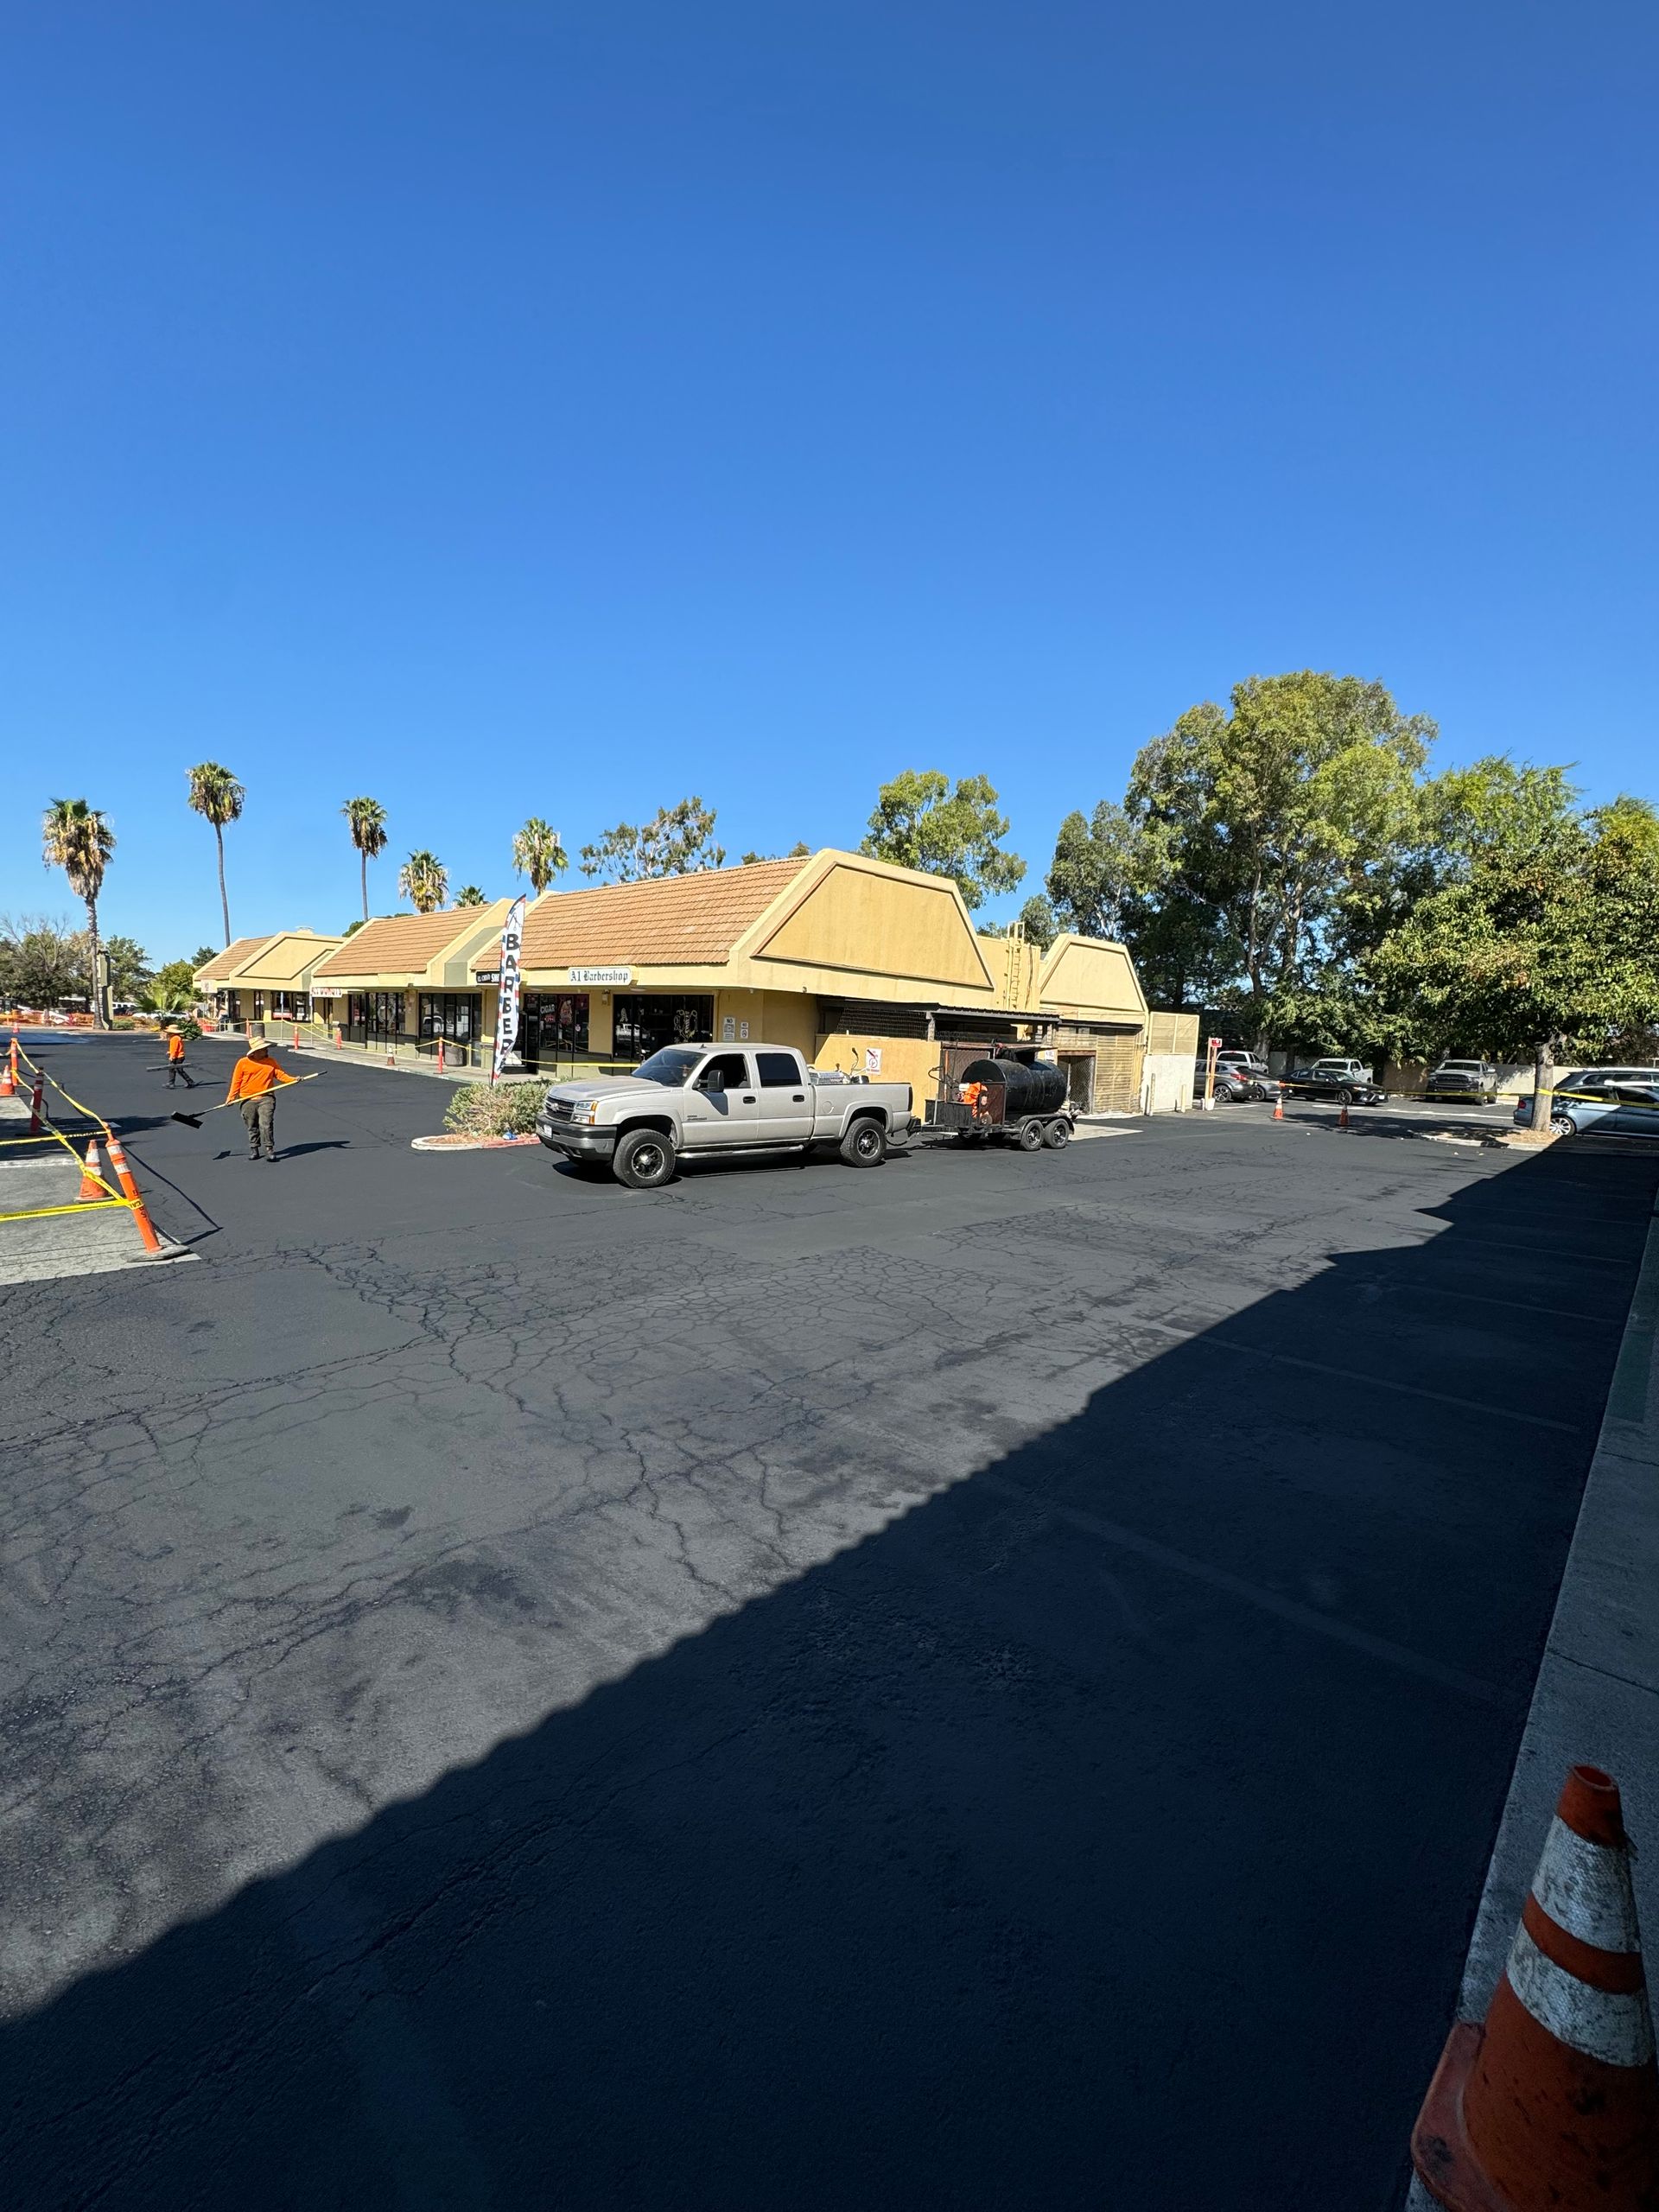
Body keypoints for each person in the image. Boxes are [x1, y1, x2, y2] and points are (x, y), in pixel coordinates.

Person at [225, 1038, 300, 1160]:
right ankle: (254, 1149)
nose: (266, 1050)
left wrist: (293, 1079)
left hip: (266, 1097)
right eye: (263, 1049)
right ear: (255, 1052)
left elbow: (280, 1074)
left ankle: (269, 1149)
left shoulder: (271, 1062)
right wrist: (231, 1097)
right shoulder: (243, 1063)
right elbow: (236, 1081)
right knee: (251, 1125)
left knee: (266, 1123)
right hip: (247, 1099)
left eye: (265, 1048)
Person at [164, 1025, 197, 1089]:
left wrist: (172, 1056)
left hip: (178, 1057)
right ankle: (171, 1083)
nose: (168, 1033)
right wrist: (170, 1052)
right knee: (172, 1069)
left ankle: (190, 1082)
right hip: (179, 1056)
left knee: (179, 1070)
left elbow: (175, 1049)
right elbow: (177, 1048)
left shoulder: (174, 1038)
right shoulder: (177, 1037)